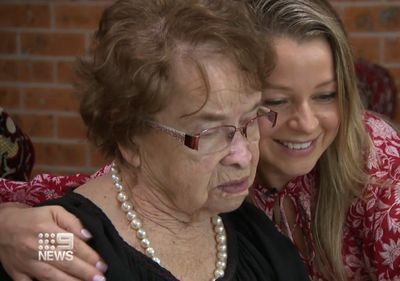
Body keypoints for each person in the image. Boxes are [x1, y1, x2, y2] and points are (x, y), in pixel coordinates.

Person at [1, 0, 400, 280]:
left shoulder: (360, 153)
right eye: (274, 105)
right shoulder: (81, 235)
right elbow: (68, 218)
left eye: (247, 122)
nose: (242, 154)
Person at [0, 0, 312, 281]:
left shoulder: (257, 236)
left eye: (250, 120)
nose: (242, 156)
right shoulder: (59, 247)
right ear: (130, 138)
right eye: (211, 133)